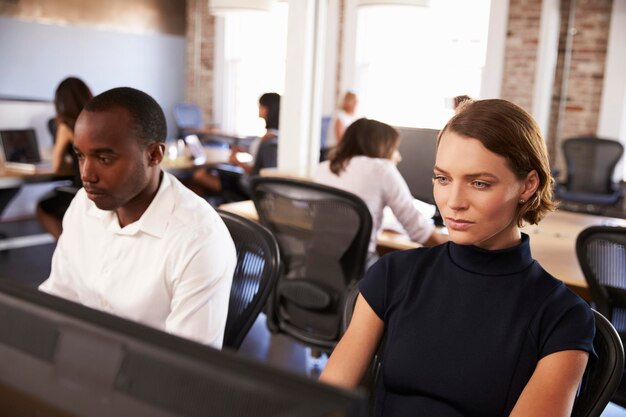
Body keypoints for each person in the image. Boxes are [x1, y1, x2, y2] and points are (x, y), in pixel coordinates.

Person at [320, 99, 595, 417]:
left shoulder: (562, 317)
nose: (453, 202)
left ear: (528, 186)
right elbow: (326, 403)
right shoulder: (393, 274)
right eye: (442, 178)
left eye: (479, 183)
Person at [39, 87, 236, 348]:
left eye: (104, 157)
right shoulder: (83, 206)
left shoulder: (198, 240)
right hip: (81, 360)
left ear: (154, 155)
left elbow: (187, 370)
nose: (86, 174)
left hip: (144, 380)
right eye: (80, 156)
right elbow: (59, 297)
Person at [314, 118, 447, 266]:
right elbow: (418, 230)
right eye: (395, 148)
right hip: (356, 267)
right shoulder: (382, 169)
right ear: (380, 146)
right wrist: (454, 246)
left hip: (316, 263)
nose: (399, 156)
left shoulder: (322, 168)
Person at [190, 92, 280, 197]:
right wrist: (243, 150)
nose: (259, 109)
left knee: (199, 175)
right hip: (246, 180)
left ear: (267, 109)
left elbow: (258, 172)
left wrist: (237, 162)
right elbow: (260, 159)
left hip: (246, 185)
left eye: (260, 106)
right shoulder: (274, 136)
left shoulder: (268, 139)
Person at [36, 77, 93, 239]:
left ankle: (66, 250)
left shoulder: (65, 126)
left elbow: (55, 165)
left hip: (82, 188)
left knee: (43, 207)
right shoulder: (97, 121)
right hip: (101, 186)